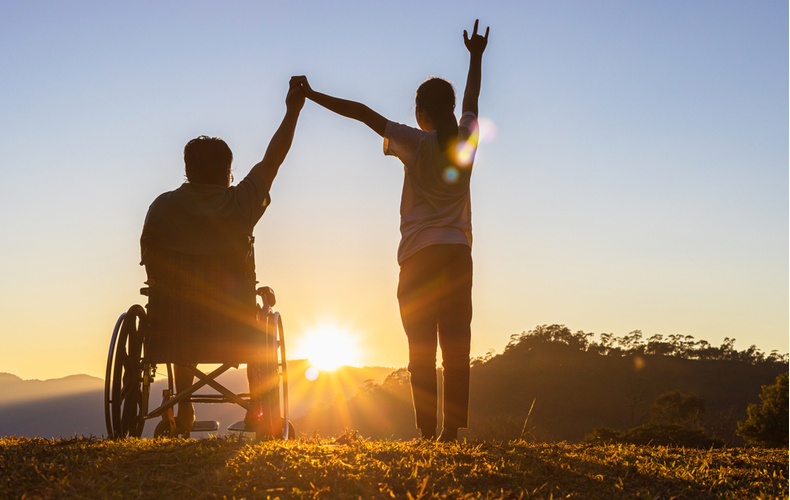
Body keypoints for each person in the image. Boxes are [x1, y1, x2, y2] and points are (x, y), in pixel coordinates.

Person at [291, 20, 488, 442]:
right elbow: (472, 98)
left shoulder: (414, 142)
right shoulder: (466, 138)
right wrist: (476, 56)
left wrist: (311, 95)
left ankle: (426, 431)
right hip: (457, 255)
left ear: (421, 113)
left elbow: (361, 113)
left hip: (417, 258)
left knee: (420, 349)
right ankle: (451, 432)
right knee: (456, 346)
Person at [140, 81, 305, 433]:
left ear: (187, 170)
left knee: (179, 304)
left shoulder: (161, 208)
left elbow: (150, 262)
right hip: (233, 325)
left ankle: (184, 410)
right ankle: (256, 411)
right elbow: (273, 159)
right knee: (259, 318)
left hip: (173, 326)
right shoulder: (239, 203)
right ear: (228, 173)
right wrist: (293, 110)